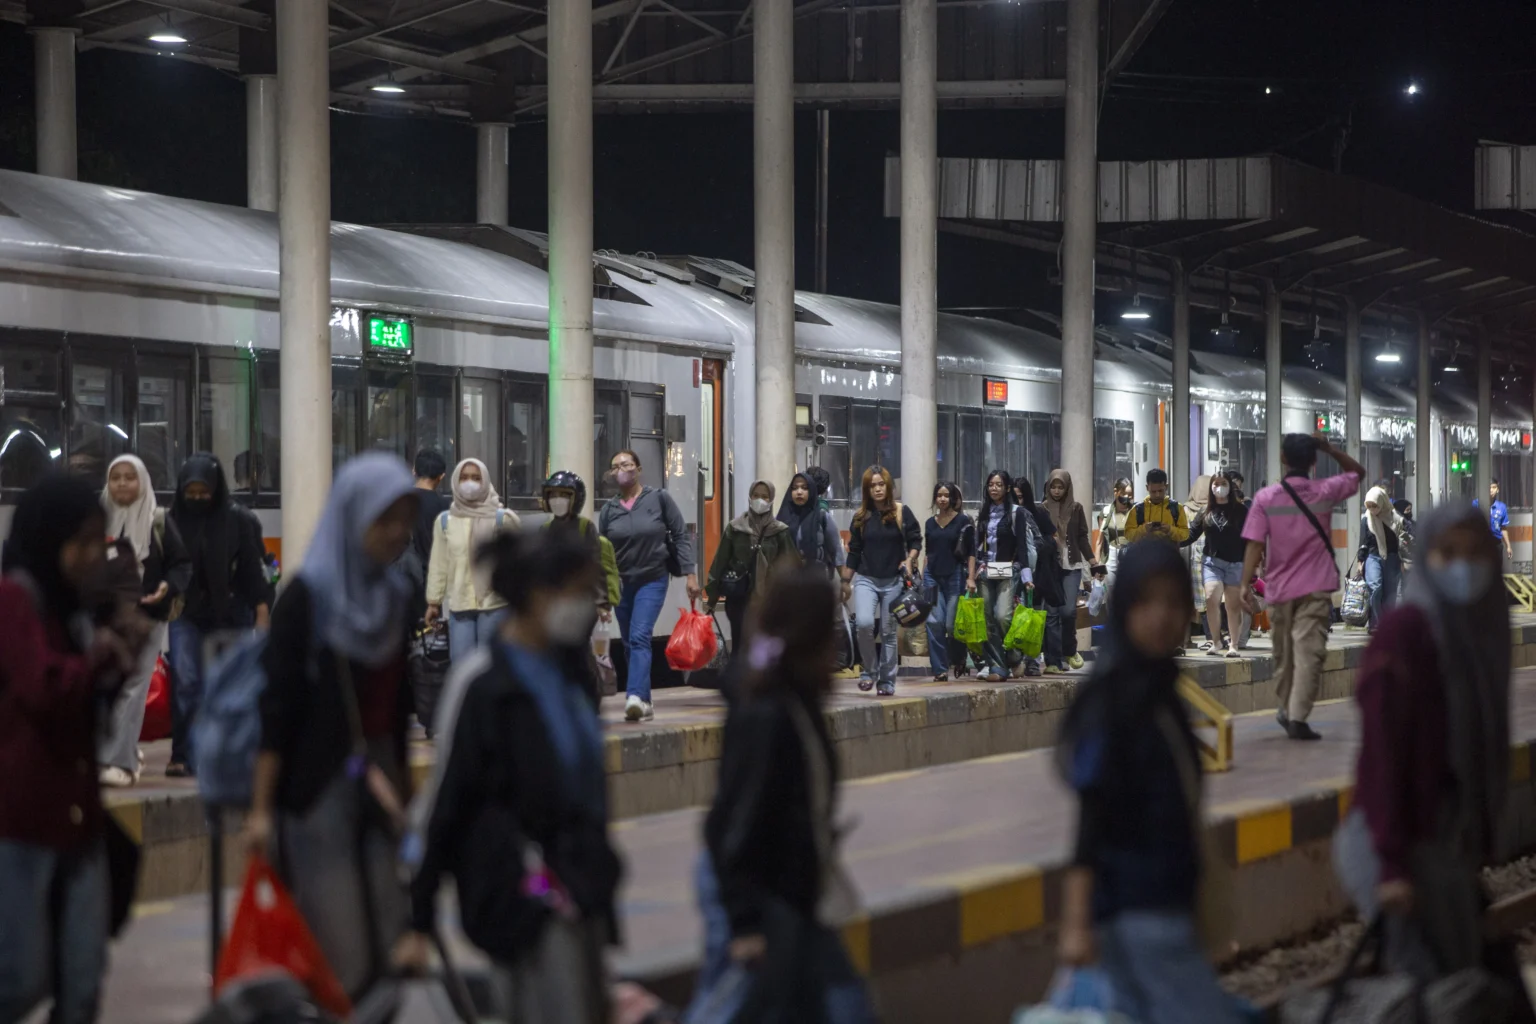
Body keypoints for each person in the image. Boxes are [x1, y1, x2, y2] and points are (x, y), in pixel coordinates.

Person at [404, 529, 621, 1023]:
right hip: (521, 895)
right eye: (576, 592)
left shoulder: (570, 675)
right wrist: (418, 920)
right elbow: (449, 799)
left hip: (579, 887)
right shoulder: (484, 684)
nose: (584, 606)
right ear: (540, 595)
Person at [1333, 502, 1531, 1009]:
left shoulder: (1478, 632)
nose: (1462, 566)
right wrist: (1392, 866)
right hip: (1395, 843)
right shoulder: (1407, 634)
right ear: (1424, 558)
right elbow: (1381, 760)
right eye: (1447, 553)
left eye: (1474, 553)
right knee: (1435, 990)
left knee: (1459, 980)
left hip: (1441, 843)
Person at [244, 453, 420, 1001]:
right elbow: (278, 709)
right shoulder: (308, 599)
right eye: (382, 518)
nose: (396, 533)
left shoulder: (395, 597)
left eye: (404, 518)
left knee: (394, 941)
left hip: (380, 782)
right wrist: (259, 810)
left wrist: (406, 794)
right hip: (317, 790)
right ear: (352, 516)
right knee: (343, 954)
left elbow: (397, 710)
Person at [1055, 541, 1242, 1024]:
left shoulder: (1161, 688)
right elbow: (1090, 817)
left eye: (1174, 603)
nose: (1160, 617)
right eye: (1144, 602)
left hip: (1167, 901)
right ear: (1123, 608)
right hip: (1135, 907)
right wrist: (1076, 925)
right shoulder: (1114, 698)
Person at [697, 566, 871, 1023]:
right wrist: (744, 922)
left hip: (795, 889)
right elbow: (735, 822)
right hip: (762, 890)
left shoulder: (795, 699)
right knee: (740, 1005)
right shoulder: (768, 714)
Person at [0, 475, 144, 1024]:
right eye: (80, 542)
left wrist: (118, 653)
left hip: (79, 822)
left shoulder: (78, 611)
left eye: (97, 541)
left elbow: (89, 709)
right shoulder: (15, 600)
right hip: (22, 823)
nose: (92, 556)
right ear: (49, 537)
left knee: (82, 982)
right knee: (19, 983)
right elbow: (44, 686)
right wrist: (101, 659)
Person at [1240, 432, 1364, 741]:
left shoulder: (1265, 498)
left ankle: (1291, 713)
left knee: (1284, 656)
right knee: (1308, 654)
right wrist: (1330, 449)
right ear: (1313, 461)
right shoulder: (1324, 491)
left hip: (1279, 590)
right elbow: (1357, 474)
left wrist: (1244, 584)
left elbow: (1255, 544)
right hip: (1315, 587)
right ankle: (1293, 713)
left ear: (1283, 458)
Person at [167, 452, 272, 778]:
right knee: (185, 681)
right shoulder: (172, 521)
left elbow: (253, 571)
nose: (197, 498)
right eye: (191, 491)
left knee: (228, 686)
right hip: (186, 613)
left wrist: (261, 611)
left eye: (204, 491)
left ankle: (226, 754)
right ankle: (184, 754)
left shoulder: (237, 520)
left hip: (231, 613)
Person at [98, 454, 192, 787]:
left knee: (135, 685)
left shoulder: (159, 521)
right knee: (106, 685)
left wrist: (167, 587)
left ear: (143, 482)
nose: (122, 483)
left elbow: (181, 565)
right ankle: (113, 751)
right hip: (107, 618)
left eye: (129, 477)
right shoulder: (95, 521)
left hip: (148, 617)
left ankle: (119, 762)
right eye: (116, 477)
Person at [598, 449, 700, 722]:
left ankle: (633, 696)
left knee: (641, 635)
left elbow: (680, 534)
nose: (622, 469)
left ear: (638, 468)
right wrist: (602, 595)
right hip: (622, 583)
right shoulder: (609, 511)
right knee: (631, 642)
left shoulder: (659, 499)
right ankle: (644, 701)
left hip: (653, 579)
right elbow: (603, 554)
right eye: (616, 466)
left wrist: (690, 573)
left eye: (628, 464)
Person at [425, 458, 520, 659]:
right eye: (464, 477)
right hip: (460, 606)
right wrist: (434, 602)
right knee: (461, 667)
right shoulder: (445, 522)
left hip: (494, 605)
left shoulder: (503, 519)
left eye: (476, 478)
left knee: (491, 666)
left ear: (485, 481)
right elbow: (439, 564)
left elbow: (518, 563)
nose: (470, 482)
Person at [841, 466, 921, 697]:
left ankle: (887, 680)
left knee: (888, 632)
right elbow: (854, 551)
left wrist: (909, 559)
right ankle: (869, 671)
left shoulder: (901, 512)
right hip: (866, 578)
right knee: (864, 624)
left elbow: (916, 540)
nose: (877, 489)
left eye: (881, 484)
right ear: (867, 489)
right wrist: (846, 580)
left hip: (894, 580)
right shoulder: (860, 517)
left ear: (888, 486)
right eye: (872, 485)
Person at [705, 479, 800, 648]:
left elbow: (791, 567)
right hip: (739, 598)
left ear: (771, 500)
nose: (760, 500)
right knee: (740, 647)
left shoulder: (780, 531)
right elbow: (720, 562)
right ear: (749, 497)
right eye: (756, 495)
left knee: (764, 650)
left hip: (770, 600)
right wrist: (712, 598)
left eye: (765, 496)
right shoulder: (735, 528)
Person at [968, 471, 1035, 681]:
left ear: (1007, 488)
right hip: (985, 571)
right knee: (987, 619)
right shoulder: (984, 512)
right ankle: (997, 666)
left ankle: (1014, 656)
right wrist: (973, 572)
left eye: (998, 484)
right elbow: (976, 544)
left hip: (1009, 571)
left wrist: (1026, 576)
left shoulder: (1017, 513)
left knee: (1002, 616)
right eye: (990, 484)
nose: (994, 488)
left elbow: (1023, 547)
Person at [541, 471, 622, 616]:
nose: (557, 500)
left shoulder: (584, 527)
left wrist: (602, 604)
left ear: (576, 499)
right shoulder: (545, 529)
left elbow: (596, 566)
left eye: (564, 496)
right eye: (553, 495)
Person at [1187, 471, 1248, 658]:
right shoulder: (1204, 511)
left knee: (1232, 605)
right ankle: (1216, 641)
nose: (1219, 487)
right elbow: (1191, 535)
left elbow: (1250, 538)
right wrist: (1171, 537)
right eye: (1216, 484)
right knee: (1211, 597)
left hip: (1236, 563)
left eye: (1223, 483)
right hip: (1212, 562)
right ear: (1210, 487)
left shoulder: (1241, 511)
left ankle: (1234, 645)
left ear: (1230, 486)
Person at [1042, 470, 1096, 672]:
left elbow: (1082, 537)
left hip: (1072, 566)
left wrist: (1092, 561)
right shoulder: (1043, 509)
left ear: (1067, 488)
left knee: (1068, 611)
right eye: (1053, 486)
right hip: (1051, 568)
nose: (1056, 491)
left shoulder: (1076, 508)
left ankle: (1070, 650)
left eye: (1060, 487)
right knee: (1052, 613)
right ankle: (1053, 661)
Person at [922, 482, 975, 682]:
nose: (942, 499)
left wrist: (970, 577)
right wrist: (922, 573)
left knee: (951, 624)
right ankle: (940, 669)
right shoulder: (929, 523)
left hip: (955, 576)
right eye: (939, 495)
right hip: (931, 577)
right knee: (933, 622)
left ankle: (959, 657)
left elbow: (971, 552)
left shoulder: (963, 521)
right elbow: (928, 551)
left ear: (952, 498)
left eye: (946, 495)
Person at [1016, 477, 1068, 675]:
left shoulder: (1036, 513)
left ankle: (1033, 660)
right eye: (1015, 497)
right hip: (1013, 570)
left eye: (1021, 497)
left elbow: (1053, 538)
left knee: (1036, 615)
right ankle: (1017, 659)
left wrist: (1037, 550)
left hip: (1037, 572)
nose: (1017, 502)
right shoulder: (1007, 514)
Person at [1359, 485, 1405, 632]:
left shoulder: (1394, 518)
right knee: (1375, 587)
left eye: (1375, 505)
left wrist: (1404, 560)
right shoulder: (1366, 519)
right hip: (1373, 557)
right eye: (1369, 506)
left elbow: (1402, 540)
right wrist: (1361, 561)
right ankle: (1375, 623)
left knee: (1389, 592)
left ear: (1382, 502)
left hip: (1392, 558)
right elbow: (1363, 542)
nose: (1372, 509)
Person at [1124, 468, 1189, 545]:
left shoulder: (1177, 508)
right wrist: (1144, 529)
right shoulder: (1137, 510)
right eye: (1153, 491)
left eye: (1160, 491)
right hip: (1144, 555)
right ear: (1147, 488)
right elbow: (1128, 535)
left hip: (1169, 555)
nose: (1157, 495)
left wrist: (1170, 530)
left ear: (1166, 487)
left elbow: (1185, 534)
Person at [410, 448, 450, 569]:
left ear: (414, 471)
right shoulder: (445, 506)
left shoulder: (402, 501)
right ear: (441, 476)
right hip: (434, 572)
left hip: (407, 574)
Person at [1098, 477, 1135, 585]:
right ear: (1116, 492)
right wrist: (1097, 568)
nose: (1127, 497)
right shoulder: (1106, 512)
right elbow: (1099, 542)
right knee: (1110, 594)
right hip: (1111, 556)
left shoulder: (1136, 511)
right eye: (1123, 494)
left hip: (1130, 556)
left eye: (1130, 494)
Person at [1488, 478, 1514, 561]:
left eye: (1494, 487)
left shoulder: (1501, 507)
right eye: (1489, 487)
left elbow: (1503, 528)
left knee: (1496, 571)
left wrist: (1508, 546)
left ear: (1497, 489)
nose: (1491, 490)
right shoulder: (1476, 504)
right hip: (1481, 544)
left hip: (1496, 544)